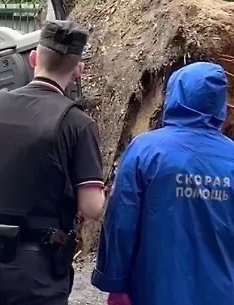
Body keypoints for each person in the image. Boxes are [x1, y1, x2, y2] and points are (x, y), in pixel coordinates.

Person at [0, 19, 105, 305]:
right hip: (38, 267)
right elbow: (91, 207)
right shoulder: (78, 124)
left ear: (33, 58)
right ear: (78, 69)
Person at [92, 61, 234, 305]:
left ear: (175, 94)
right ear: (220, 103)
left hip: (153, 290)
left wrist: (114, 282)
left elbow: (121, 222)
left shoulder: (144, 150)